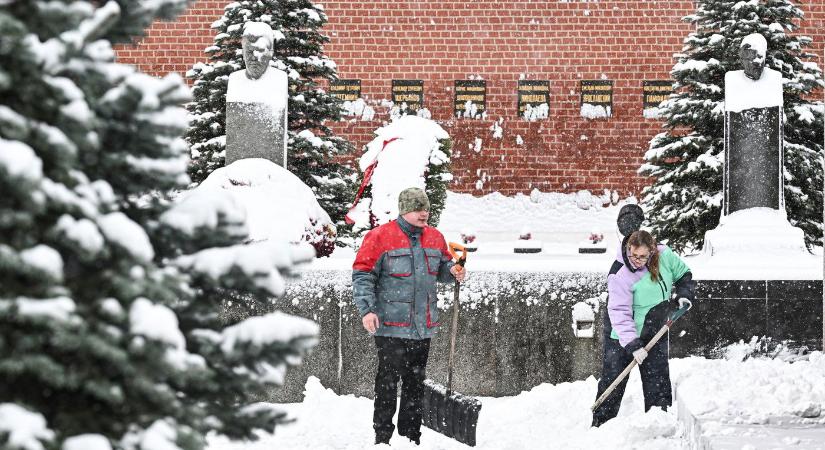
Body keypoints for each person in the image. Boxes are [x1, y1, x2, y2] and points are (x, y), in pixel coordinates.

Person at [352, 187, 466, 445]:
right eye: (418, 208)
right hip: (390, 325)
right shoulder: (380, 237)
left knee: (415, 382)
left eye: (426, 208)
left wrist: (454, 271)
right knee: (388, 382)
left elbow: (443, 270)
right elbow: (363, 274)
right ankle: (383, 437)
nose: (424, 213)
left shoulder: (435, 237)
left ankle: (410, 436)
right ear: (404, 209)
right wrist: (367, 309)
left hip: (422, 325)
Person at [591, 227, 695, 427]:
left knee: (658, 380)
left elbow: (683, 274)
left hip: (655, 329)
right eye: (633, 254)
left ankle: (659, 426)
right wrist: (632, 344)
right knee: (614, 381)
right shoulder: (619, 274)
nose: (636, 260)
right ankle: (600, 426)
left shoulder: (664, 255)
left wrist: (684, 294)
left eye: (642, 256)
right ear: (628, 248)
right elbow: (619, 312)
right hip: (622, 335)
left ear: (652, 251)